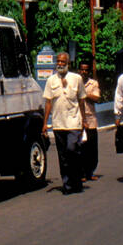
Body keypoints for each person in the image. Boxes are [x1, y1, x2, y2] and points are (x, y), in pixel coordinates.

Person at [41, 52, 88, 194]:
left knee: (72, 150)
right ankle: (67, 185)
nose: (60, 64)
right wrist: (45, 123)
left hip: (74, 122)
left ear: (68, 63)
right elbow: (48, 103)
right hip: (58, 123)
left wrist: (84, 120)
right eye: (58, 61)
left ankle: (77, 180)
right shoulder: (51, 81)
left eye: (63, 62)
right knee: (63, 156)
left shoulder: (76, 79)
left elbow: (81, 101)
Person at [77, 59, 101, 180]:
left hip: (90, 119)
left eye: (86, 70)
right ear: (78, 70)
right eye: (82, 69)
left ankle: (90, 172)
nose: (84, 72)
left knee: (92, 148)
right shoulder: (74, 82)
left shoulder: (93, 84)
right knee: (80, 148)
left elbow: (96, 97)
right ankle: (81, 173)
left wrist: (85, 94)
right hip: (78, 119)